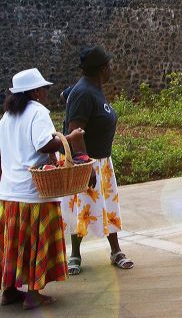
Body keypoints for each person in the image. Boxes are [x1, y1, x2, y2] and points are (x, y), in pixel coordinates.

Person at [0, 69, 86, 309]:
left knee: (15, 244)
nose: (46, 93)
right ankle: (33, 293)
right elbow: (44, 144)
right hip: (34, 192)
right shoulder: (38, 112)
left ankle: (9, 291)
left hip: (8, 192)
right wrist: (71, 137)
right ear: (35, 92)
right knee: (36, 242)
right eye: (44, 89)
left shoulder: (7, 117)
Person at [61, 47, 135, 276]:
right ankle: (74, 255)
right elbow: (75, 130)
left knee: (108, 207)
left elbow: (65, 96)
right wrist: (85, 164)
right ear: (102, 68)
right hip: (86, 162)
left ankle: (115, 250)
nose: (111, 69)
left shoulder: (92, 89)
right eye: (109, 66)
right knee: (80, 208)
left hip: (102, 160)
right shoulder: (84, 92)